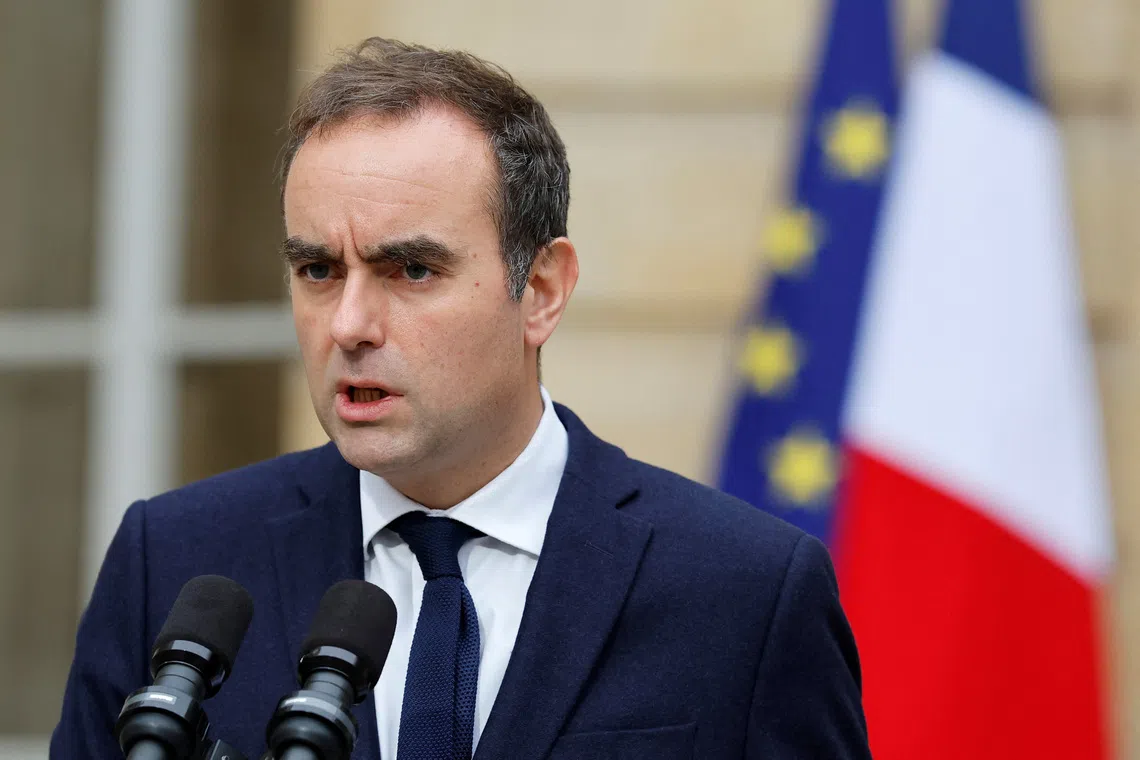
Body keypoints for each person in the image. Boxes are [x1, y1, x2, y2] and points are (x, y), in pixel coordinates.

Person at [51, 38, 870, 759]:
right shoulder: (176, 563)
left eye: (412, 270)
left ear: (541, 290)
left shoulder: (744, 591)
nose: (350, 324)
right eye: (318, 270)